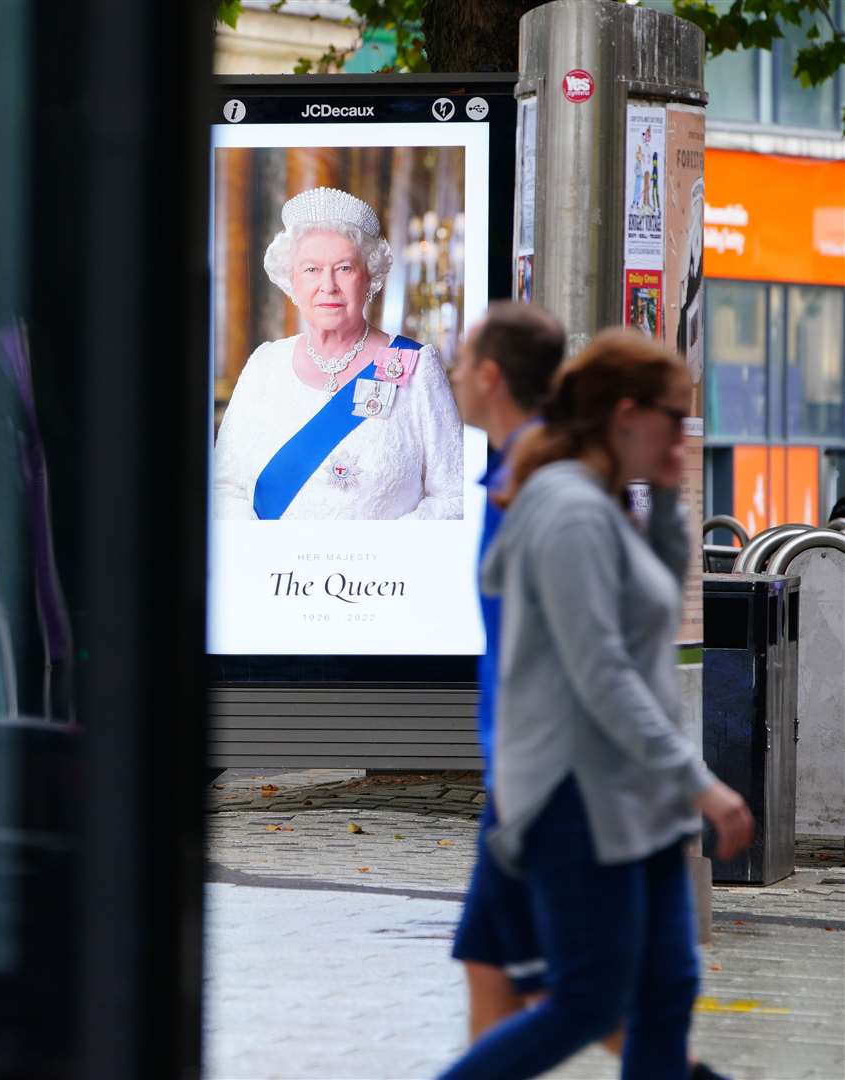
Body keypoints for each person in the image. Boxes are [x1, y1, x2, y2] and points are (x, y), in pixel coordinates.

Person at [439, 329, 754, 1080]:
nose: (682, 437)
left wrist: (674, 494)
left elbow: (655, 602)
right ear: (623, 413)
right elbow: (600, 671)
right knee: (587, 999)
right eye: (672, 419)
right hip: (576, 794)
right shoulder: (568, 511)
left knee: (665, 989)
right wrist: (700, 783)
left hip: (627, 794)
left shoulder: (602, 502)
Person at [445, 301, 566, 1039]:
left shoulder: (532, 480)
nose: (452, 376)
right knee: (488, 962)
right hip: (516, 765)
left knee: (581, 1000)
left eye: (461, 362)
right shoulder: (513, 469)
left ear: (489, 376)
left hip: (535, 772)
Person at [212, 187, 463, 521]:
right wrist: (265, 555)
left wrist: (380, 554)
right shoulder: (264, 366)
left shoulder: (415, 365)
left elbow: (455, 495)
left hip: (384, 573)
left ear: (369, 276)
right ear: (292, 282)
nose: (327, 285)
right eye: (311, 270)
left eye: (344, 268)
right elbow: (224, 488)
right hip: (279, 574)